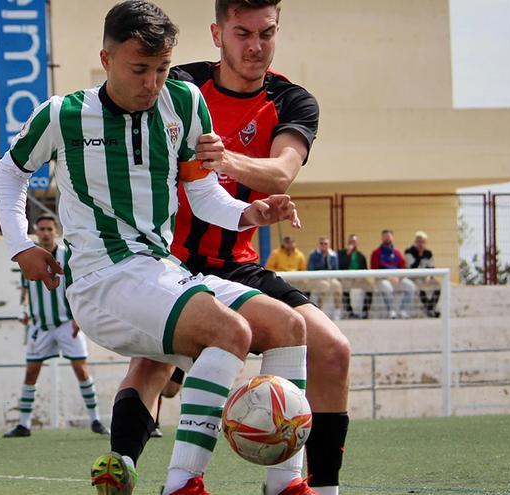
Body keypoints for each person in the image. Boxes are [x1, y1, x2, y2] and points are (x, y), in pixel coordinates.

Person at [0, 3, 307, 495]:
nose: (152, 82)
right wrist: (20, 245)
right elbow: (10, 172)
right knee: (229, 332)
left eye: (162, 69)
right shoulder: (64, 113)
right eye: (139, 69)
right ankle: (183, 484)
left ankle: (285, 485)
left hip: (160, 268)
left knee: (289, 326)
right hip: (100, 277)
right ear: (107, 57)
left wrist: (250, 213)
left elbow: (202, 193)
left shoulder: (183, 101)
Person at [112, 1, 352, 493]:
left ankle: (318, 487)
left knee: (332, 349)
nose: (255, 46)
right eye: (242, 33)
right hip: (169, 258)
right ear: (217, 33)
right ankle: (119, 468)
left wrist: (224, 159)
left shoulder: (292, 100)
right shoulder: (177, 84)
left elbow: (282, 171)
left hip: (237, 263)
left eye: (266, 33)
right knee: (155, 362)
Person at [3, 213, 110, 438]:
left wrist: (79, 317)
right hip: (40, 325)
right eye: (41, 229)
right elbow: (25, 290)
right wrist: (22, 308)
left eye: (49, 229)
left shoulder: (67, 256)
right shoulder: (28, 256)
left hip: (65, 324)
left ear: (56, 232)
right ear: (36, 231)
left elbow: (80, 286)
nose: (45, 233)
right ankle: (23, 424)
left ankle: (96, 420)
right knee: (31, 372)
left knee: (81, 370)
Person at [370, 229, 416, 319]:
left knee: (411, 286)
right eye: (385, 236)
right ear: (382, 238)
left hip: (397, 279)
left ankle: (403, 310)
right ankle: (392, 311)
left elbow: (403, 267)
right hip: (382, 279)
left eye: (389, 236)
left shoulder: (397, 253)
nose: (387, 238)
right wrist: (388, 277)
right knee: (387, 287)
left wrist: (398, 277)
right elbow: (374, 269)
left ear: (392, 237)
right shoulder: (376, 253)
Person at [404, 231, 440, 318]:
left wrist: (430, 276)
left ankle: (430, 307)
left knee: (437, 285)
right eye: (418, 241)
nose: (420, 243)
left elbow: (431, 267)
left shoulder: (428, 253)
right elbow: (411, 267)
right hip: (413, 277)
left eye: (422, 241)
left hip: (425, 277)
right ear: (415, 242)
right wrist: (419, 255)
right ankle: (430, 309)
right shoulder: (409, 251)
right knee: (419, 284)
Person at [337, 234, 372, 319]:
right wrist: (348, 254)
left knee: (370, 287)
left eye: (354, 242)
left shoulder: (361, 256)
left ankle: (365, 311)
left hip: (359, 279)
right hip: (346, 278)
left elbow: (365, 270)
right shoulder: (341, 254)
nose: (352, 244)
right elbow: (341, 266)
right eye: (350, 242)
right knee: (345, 288)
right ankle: (350, 311)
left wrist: (360, 277)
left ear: (357, 244)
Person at [307, 237, 343, 317]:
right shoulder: (313, 255)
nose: (323, 245)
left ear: (329, 245)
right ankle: (320, 311)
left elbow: (335, 269)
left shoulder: (333, 255)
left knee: (337, 286)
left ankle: (337, 312)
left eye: (326, 244)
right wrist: (322, 257)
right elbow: (311, 268)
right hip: (317, 278)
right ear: (318, 245)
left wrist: (328, 258)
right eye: (321, 243)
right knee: (324, 286)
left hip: (330, 278)